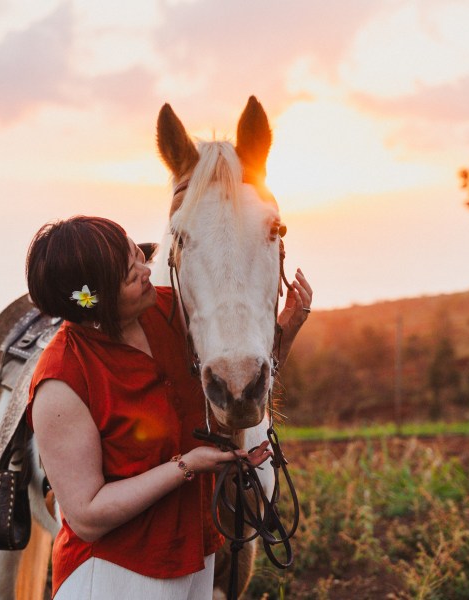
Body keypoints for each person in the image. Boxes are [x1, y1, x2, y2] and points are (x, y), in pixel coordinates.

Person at [25, 215, 312, 599]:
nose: (147, 271)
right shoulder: (63, 380)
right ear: (98, 302)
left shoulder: (172, 314)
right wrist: (186, 466)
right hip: (116, 575)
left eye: (139, 258)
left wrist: (286, 330)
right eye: (131, 275)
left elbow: (236, 390)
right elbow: (88, 517)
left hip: (195, 563)